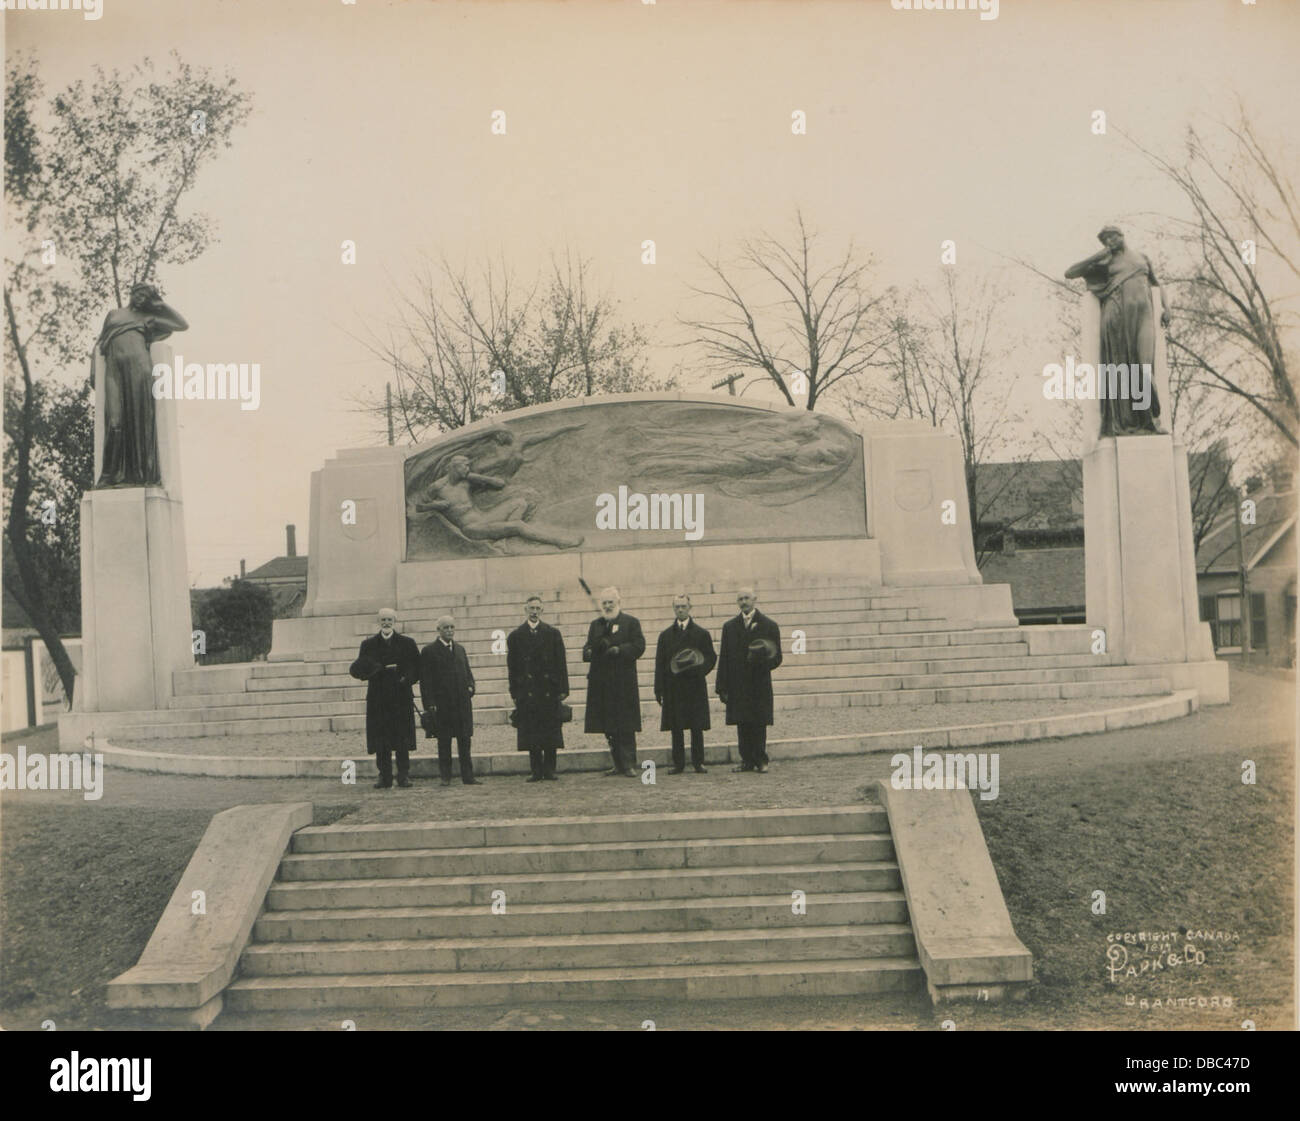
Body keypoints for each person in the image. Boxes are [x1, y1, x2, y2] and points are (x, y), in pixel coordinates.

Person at [1064, 224, 1169, 437]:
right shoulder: (1105, 262)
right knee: (1122, 368)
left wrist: (1167, 308)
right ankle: (1138, 422)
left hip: (1143, 316)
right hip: (1117, 318)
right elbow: (1070, 272)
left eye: (1112, 237)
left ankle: (1150, 418)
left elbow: (1156, 285)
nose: (1109, 242)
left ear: (1121, 235)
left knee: (1144, 366)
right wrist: (1098, 256)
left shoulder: (1142, 257)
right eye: (1105, 240)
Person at [95, 283, 189, 488]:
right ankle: (109, 475)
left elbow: (182, 324)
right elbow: (100, 342)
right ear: (131, 294)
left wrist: (160, 304)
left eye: (146, 296)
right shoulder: (114, 315)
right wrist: (93, 370)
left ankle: (140, 475)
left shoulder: (148, 318)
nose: (140, 298)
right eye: (138, 293)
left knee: (140, 422)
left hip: (140, 369)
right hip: (114, 370)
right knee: (114, 421)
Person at [349, 607, 419, 789]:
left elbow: (417, 668)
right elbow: (357, 669)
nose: (386, 623)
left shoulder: (407, 643)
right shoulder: (369, 644)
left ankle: (403, 775)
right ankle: (385, 776)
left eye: (389, 619)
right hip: (378, 699)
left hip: (401, 697)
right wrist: (374, 669)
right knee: (381, 738)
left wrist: (406, 678)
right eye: (383, 620)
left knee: (402, 738)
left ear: (395, 621)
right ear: (378, 622)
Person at [716, 587, 783, 774]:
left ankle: (761, 759)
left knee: (759, 722)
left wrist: (761, 663)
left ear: (755, 599)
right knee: (742, 722)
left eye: (746, 598)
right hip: (738, 684)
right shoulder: (729, 627)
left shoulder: (769, 625)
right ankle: (746, 760)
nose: (743, 602)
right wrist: (722, 686)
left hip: (758, 683)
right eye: (740, 599)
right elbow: (724, 658)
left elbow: (777, 657)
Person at [582, 587, 645, 777]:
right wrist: (589, 652)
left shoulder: (631, 623)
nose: (608, 606)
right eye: (605, 603)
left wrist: (620, 650)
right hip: (602, 683)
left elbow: (639, 646)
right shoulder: (596, 625)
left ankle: (628, 764)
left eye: (611, 602)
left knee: (625, 725)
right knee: (608, 725)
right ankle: (617, 763)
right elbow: (588, 647)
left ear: (619, 602)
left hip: (623, 683)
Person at [507, 595, 570, 781]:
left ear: (542, 611)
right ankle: (536, 770)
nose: (534, 612)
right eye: (531, 608)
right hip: (528, 691)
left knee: (550, 730)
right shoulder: (516, 636)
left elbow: (561, 664)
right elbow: (513, 667)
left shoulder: (552, 633)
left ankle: (550, 769)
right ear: (525, 610)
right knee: (532, 732)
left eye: (537, 608)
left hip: (548, 690)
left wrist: (563, 688)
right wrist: (515, 691)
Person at [654, 593, 716, 774]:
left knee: (696, 725)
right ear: (674, 609)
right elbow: (659, 663)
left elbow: (711, 658)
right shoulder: (665, 636)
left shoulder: (701, 634)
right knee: (676, 726)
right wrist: (659, 689)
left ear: (690, 608)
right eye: (677, 607)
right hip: (674, 687)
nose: (680, 610)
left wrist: (698, 670)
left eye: (683, 606)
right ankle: (678, 763)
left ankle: (698, 762)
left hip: (694, 685)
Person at [418, 615, 479, 786]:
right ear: (438, 630)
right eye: (446, 627)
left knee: (464, 740)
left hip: (462, 704)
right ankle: (446, 776)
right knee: (444, 741)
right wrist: (430, 704)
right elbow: (426, 681)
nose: (450, 630)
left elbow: (468, 673)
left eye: (452, 627)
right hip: (442, 705)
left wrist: (471, 687)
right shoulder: (429, 651)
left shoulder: (460, 649)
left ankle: (468, 776)